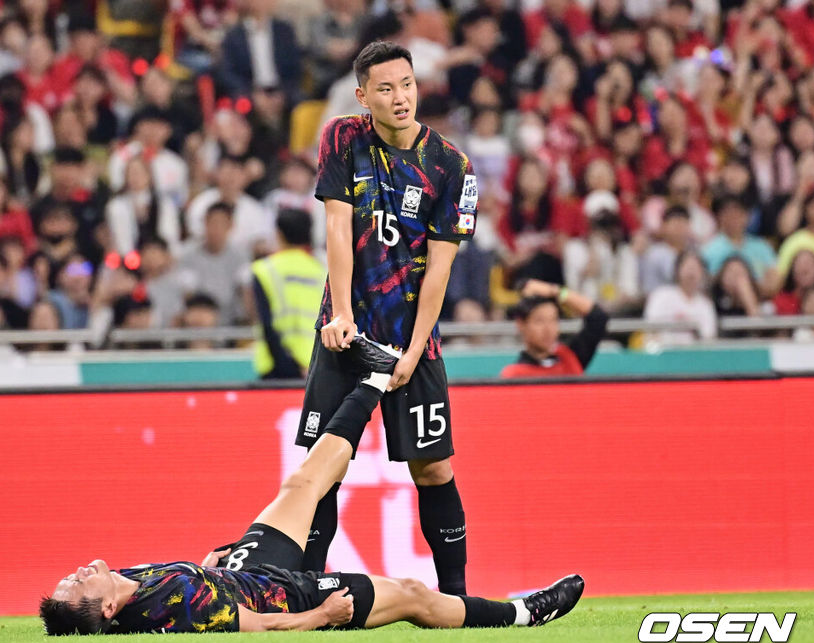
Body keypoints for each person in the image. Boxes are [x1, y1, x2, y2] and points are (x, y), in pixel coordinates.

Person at [40, 340, 584, 634]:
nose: (79, 572)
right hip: (279, 593)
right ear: (106, 610)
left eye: (68, 578)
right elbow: (254, 627)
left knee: (303, 481)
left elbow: (202, 590)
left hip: (236, 573)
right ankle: (523, 614)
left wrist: (207, 570)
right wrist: (318, 617)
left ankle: (373, 376)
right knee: (415, 597)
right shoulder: (168, 611)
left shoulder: (128, 586)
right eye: (77, 586)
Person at [297, 41, 478, 596]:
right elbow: (336, 231)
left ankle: (456, 597)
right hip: (344, 334)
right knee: (321, 470)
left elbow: (440, 271)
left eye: (406, 84)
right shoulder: (342, 138)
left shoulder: (452, 167)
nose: (399, 97)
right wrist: (343, 315)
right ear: (362, 95)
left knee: (433, 470)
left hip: (412, 341)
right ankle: (305, 591)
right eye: (385, 88)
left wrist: (415, 348)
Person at [250, 209, 326, 379]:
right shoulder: (322, 271)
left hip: (276, 368)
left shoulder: (264, 270)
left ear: (279, 234)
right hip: (317, 366)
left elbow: (267, 324)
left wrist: (287, 365)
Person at [500, 280, 610, 378]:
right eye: (539, 321)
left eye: (553, 320)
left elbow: (598, 318)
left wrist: (554, 291)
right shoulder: (514, 376)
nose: (548, 329)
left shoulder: (569, 357)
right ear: (520, 324)